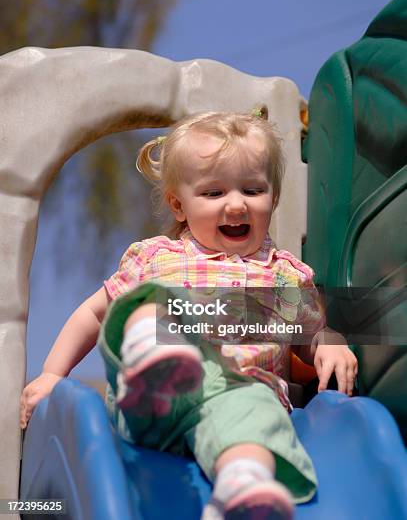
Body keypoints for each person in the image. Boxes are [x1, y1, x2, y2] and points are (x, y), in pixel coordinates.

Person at [20, 107, 358, 520]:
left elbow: (310, 336)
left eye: (252, 190)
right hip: (154, 402)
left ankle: (243, 485)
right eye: (214, 194)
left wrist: (330, 342)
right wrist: (53, 374)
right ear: (179, 206)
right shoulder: (157, 256)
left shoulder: (283, 275)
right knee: (151, 302)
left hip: (239, 393)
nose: (236, 205)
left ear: (273, 197)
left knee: (256, 416)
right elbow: (94, 314)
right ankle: (157, 359)